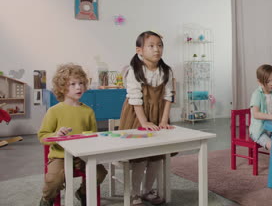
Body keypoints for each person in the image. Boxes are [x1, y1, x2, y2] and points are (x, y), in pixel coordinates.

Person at [38, 63, 108, 206]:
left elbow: (93, 136)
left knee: (100, 172)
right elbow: (42, 136)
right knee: (53, 179)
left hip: (82, 156)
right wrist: (56, 135)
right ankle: (47, 199)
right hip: (60, 156)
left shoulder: (88, 111)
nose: (78, 87)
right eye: (73, 84)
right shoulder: (54, 111)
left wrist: (90, 138)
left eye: (81, 83)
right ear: (62, 87)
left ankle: (82, 192)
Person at [119, 31, 175, 206]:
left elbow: (168, 96)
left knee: (157, 156)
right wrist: (144, 123)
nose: (156, 49)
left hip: (158, 115)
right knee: (140, 157)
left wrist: (164, 120)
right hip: (137, 116)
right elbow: (135, 100)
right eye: (151, 46)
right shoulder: (134, 71)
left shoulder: (166, 70)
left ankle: (147, 190)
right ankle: (134, 193)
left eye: (159, 45)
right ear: (139, 50)